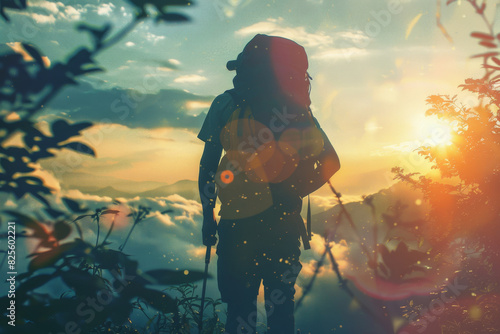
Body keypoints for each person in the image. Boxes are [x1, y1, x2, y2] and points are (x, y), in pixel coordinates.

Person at [198, 34, 340, 334]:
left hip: (236, 227)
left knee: (239, 310)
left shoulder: (226, 104)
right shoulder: (294, 109)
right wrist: (289, 191)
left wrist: (207, 214)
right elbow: (332, 162)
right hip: (283, 225)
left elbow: (208, 165)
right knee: (281, 310)